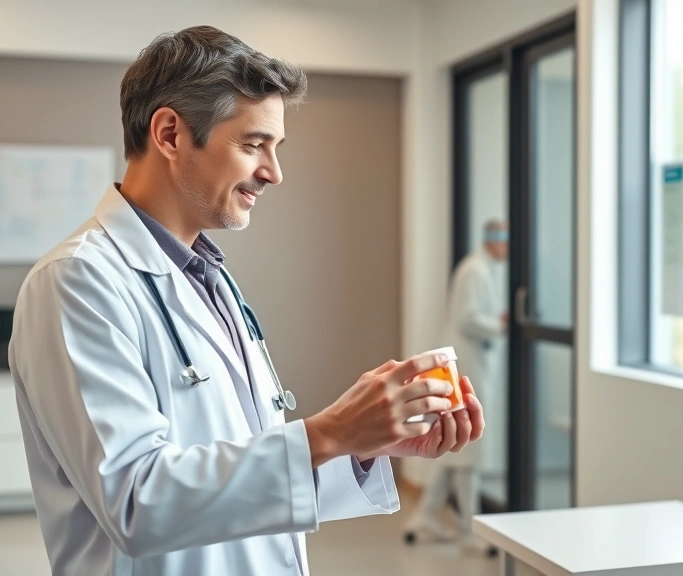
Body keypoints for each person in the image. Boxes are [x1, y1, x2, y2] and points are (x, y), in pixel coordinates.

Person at [7, 26, 484, 576]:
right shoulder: (76, 282)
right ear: (170, 134)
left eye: (275, 149)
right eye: (253, 144)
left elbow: (242, 477)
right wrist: (329, 430)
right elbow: (137, 504)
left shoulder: (209, 280)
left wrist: (362, 447)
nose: (273, 173)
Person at [404, 220, 508, 553]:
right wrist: (500, 325)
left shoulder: (480, 268)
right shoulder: (475, 271)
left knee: (456, 449)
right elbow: (467, 318)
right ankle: (470, 531)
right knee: (468, 452)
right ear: (494, 240)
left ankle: (425, 517)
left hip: (469, 363)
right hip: (467, 366)